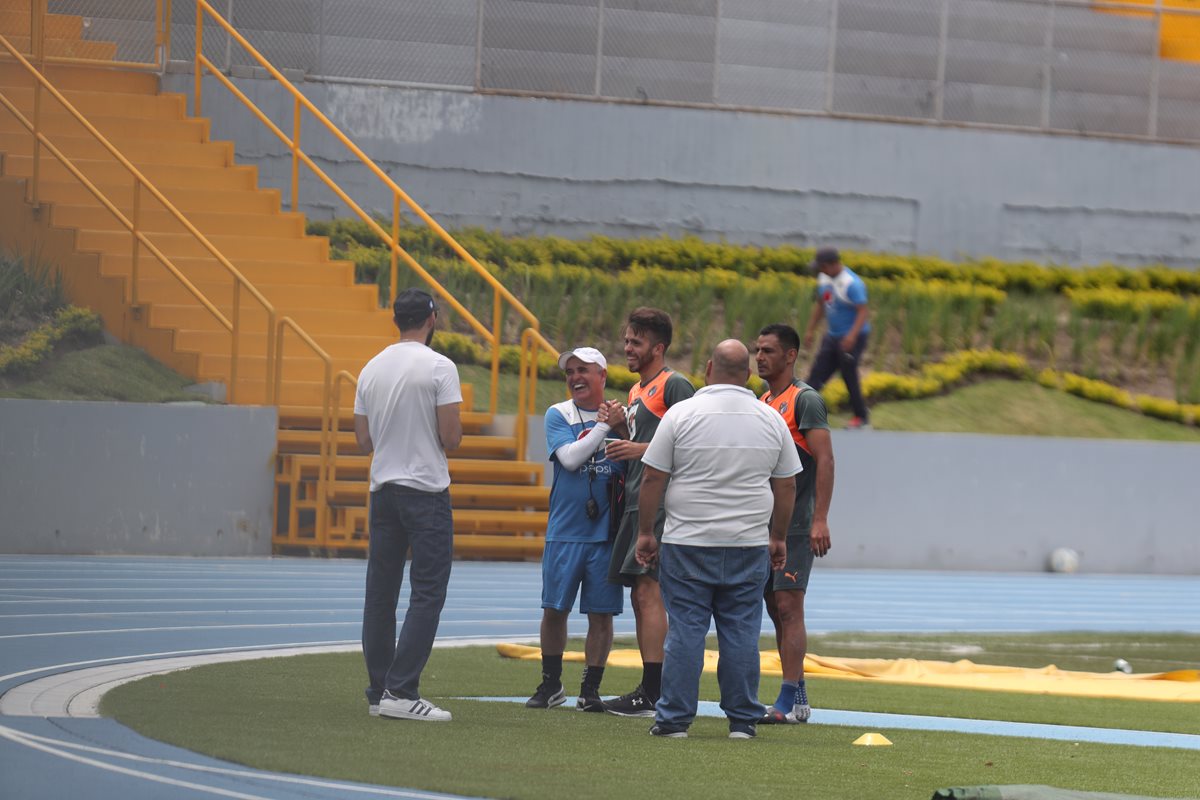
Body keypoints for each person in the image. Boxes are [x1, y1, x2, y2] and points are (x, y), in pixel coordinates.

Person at [634, 340, 800, 739]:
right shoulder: (770, 418)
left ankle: (674, 720)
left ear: (708, 369)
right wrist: (777, 537)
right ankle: (742, 720)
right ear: (747, 374)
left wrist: (645, 532)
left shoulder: (681, 414)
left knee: (687, 629)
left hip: (688, 539)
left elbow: (654, 477)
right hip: (747, 542)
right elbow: (788, 485)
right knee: (742, 631)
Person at [354, 287, 462, 723]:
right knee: (427, 591)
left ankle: (380, 690)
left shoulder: (371, 368)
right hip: (426, 489)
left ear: (395, 318)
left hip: (383, 490)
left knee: (380, 595)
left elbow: (363, 440)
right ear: (431, 318)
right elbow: (451, 438)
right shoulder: (440, 366)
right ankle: (402, 690)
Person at [602, 307, 695, 717]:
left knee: (648, 590)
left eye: (636, 342)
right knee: (641, 596)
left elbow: (692, 442)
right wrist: (623, 430)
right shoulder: (638, 390)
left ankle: (654, 689)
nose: (627, 348)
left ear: (658, 347)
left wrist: (637, 447)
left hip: (660, 502)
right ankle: (651, 685)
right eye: (626, 340)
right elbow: (647, 444)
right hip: (638, 498)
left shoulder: (675, 386)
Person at [526, 347, 625, 712]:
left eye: (582, 370)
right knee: (554, 609)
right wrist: (604, 426)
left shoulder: (624, 416)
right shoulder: (559, 414)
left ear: (602, 375)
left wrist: (621, 426)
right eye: (569, 372)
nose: (574, 378)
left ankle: (591, 689)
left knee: (602, 615)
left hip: (606, 535)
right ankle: (551, 684)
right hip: (566, 531)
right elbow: (569, 459)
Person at [754, 323, 835, 724]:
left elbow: (826, 459)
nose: (760, 357)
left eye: (768, 350)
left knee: (789, 605)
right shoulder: (762, 400)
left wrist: (820, 518)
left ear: (790, 355)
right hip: (764, 525)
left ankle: (785, 702)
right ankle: (797, 688)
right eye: (757, 350)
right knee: (773, 607)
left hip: (798, 524)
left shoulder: (805, 401)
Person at [802, 247, 872, 429]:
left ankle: (861, 417)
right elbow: (821, 305)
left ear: (833, 264)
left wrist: (851, 336)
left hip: (852, 338)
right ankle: (800, 412)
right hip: (832, 336)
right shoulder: (824, 278)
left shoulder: (852, 283)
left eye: (823, 267)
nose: (821, 271)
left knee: (849, 376)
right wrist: (810, 330)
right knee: (817, 373)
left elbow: (863, 311)